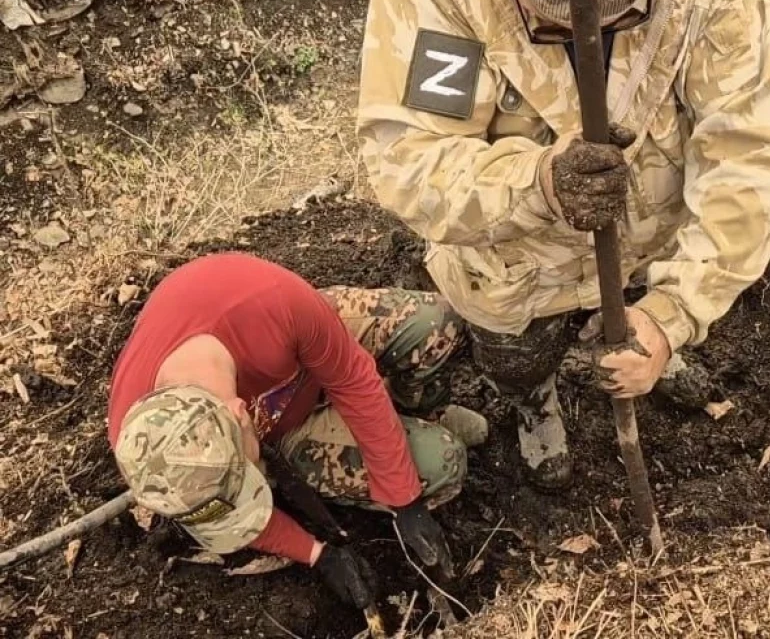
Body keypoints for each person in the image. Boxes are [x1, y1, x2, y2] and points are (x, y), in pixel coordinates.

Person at [356, 0, 770, 489]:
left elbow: (748, 148)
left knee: (639, 311)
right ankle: (533, 397)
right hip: (514, 255)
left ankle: (635, 338)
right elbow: (408, 160)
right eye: (548, 23)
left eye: (624, 20)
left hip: (647, 224)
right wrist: (537, 184)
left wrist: (675, 312)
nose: (577, 37)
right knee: (516, 350)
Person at [106, 252, 486, 611]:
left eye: (247, 475)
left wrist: (405, 501)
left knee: (436, 322)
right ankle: (402, 435)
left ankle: (415, 412)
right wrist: (317, 554)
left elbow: (353, 381)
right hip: (289, 429)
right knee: (443, 461)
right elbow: (227, 514)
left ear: (242, 415)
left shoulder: (271, 303)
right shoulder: (146, 449)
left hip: (303, 353)